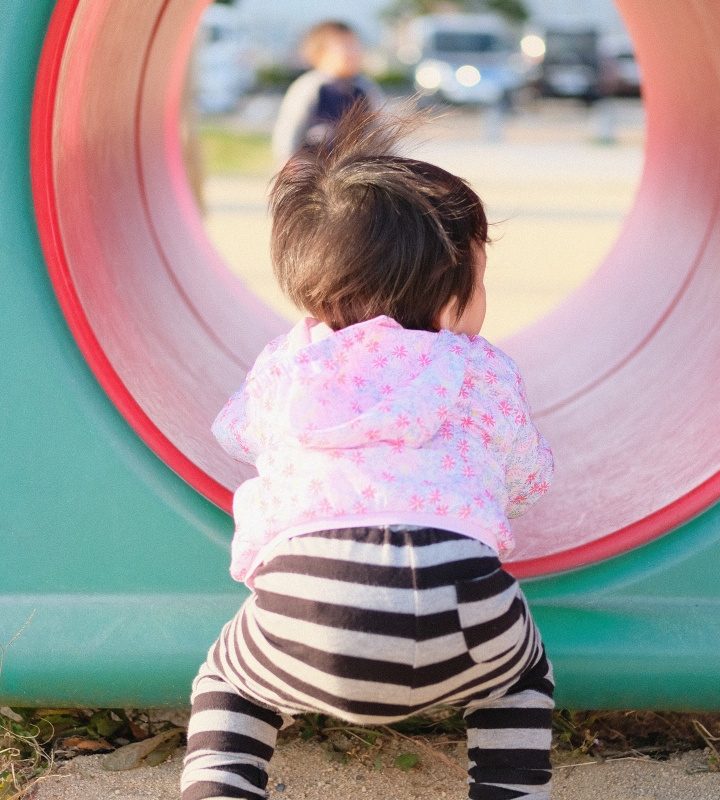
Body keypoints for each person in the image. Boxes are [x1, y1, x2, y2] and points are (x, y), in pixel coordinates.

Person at [181, 104, 556, 800]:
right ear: (449, 307)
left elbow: (238, 435)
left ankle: (222, 788)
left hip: (309, 613)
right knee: (522, 677)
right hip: (466, 607)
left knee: (228, 679)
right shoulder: (481, 368)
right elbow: (527, 474)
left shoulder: (285, 365)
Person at [271, 20, 385, 166]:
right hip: (314, 168)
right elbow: (290, 129)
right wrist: (288, 162)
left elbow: (379, 129)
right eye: (346, 47)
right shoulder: (310, 86)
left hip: (353, 168)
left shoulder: (365, 88)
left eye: (356, 46)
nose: (354, 53)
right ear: (320, 53)